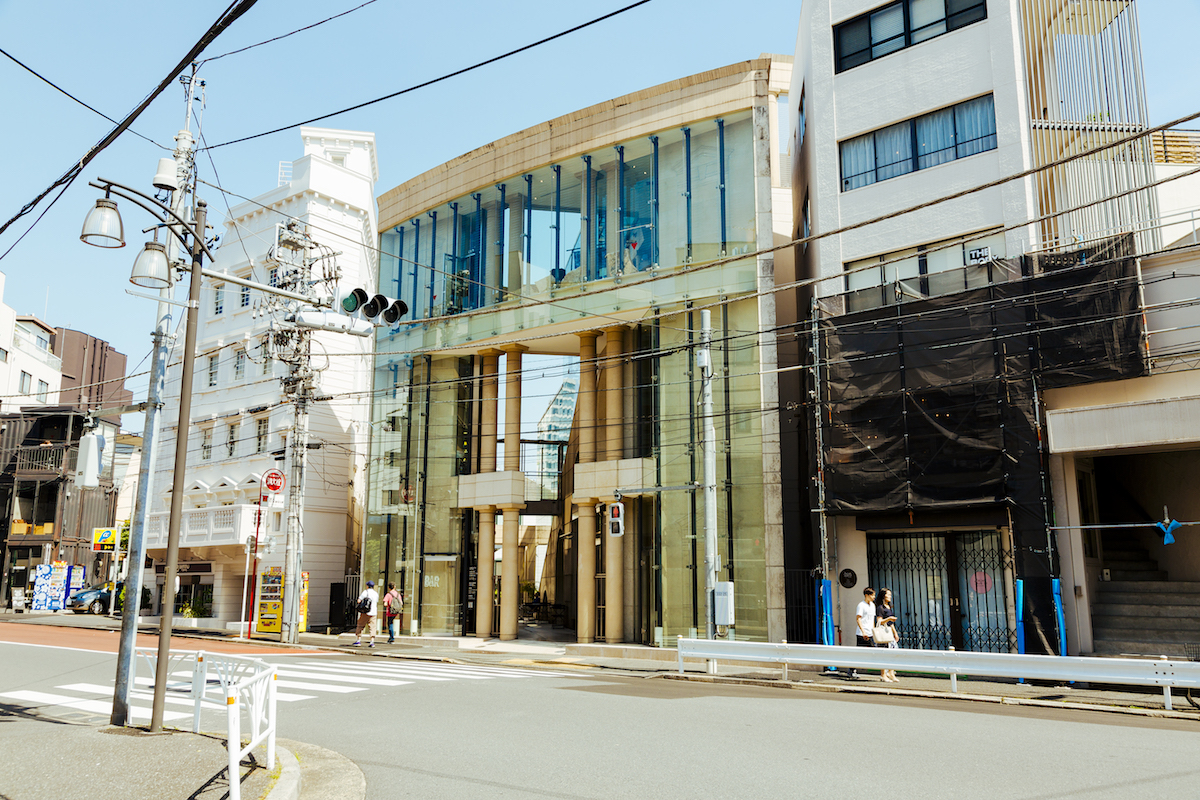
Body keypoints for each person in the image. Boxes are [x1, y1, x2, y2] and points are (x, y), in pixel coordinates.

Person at [851, 587, 876, 680]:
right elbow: (858, 619)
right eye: (872, 595)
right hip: (862, 634)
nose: (874, 597)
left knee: (873, 651)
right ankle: (852, 670)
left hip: (870, 633)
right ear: (867, 595)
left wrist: (873, 630)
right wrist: (863, 631)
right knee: (859, 653)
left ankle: (883, 671)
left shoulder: (872, 605)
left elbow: (872, 619)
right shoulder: (861, 605)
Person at [877, 587, 900, 682]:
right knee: (885, 653)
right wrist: (889, 619)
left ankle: (891, 672)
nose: (890, 597)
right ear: (883, 595)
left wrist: (895, 633)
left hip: (890, 631)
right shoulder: (880, 608)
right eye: (888, 595)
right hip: (884, 632)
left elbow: (891, 623)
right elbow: (879, 621)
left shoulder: (889, 607)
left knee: (894, 652)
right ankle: (883, 674)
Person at [353, 580, 379, 647]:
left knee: (360, 625)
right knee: (372, 627)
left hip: (365, 612)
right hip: (373, 612)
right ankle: (372, 641)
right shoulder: (376, 593)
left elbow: (359, 600)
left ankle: (358, 640)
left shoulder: (365, 592)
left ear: (367, 586)